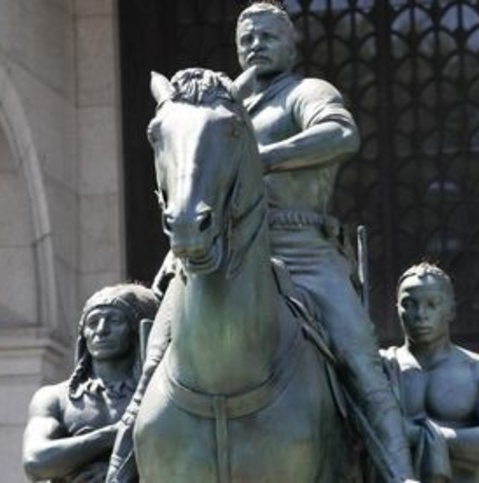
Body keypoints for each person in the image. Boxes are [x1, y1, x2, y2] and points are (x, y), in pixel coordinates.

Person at [132, 3, 415, 482]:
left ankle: (400, 474)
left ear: (292, 43)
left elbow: (341, 133)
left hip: (302, 248)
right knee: (149, 374)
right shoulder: (223, 100)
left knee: (361, 363)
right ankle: (122, 468)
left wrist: (259, 157)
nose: (255, 45)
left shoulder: (306, 92)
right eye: (247, 38)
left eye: (267, 35)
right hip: (223, 250)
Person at [382, 262, 479, 482]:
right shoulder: (381, 368)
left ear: (451, 310)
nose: (420, 314)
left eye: (432, 304)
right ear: (397, 308)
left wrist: (417, 436)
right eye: (410, 304)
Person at [22, 284, 159, 482]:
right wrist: (114, 435)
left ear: (136, 330)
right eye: (93, 322)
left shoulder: (159, 394)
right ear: (83, 334)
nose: (101, 330)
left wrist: (121, 470)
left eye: (114, 321)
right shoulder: (55, 398)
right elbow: (35, 461)